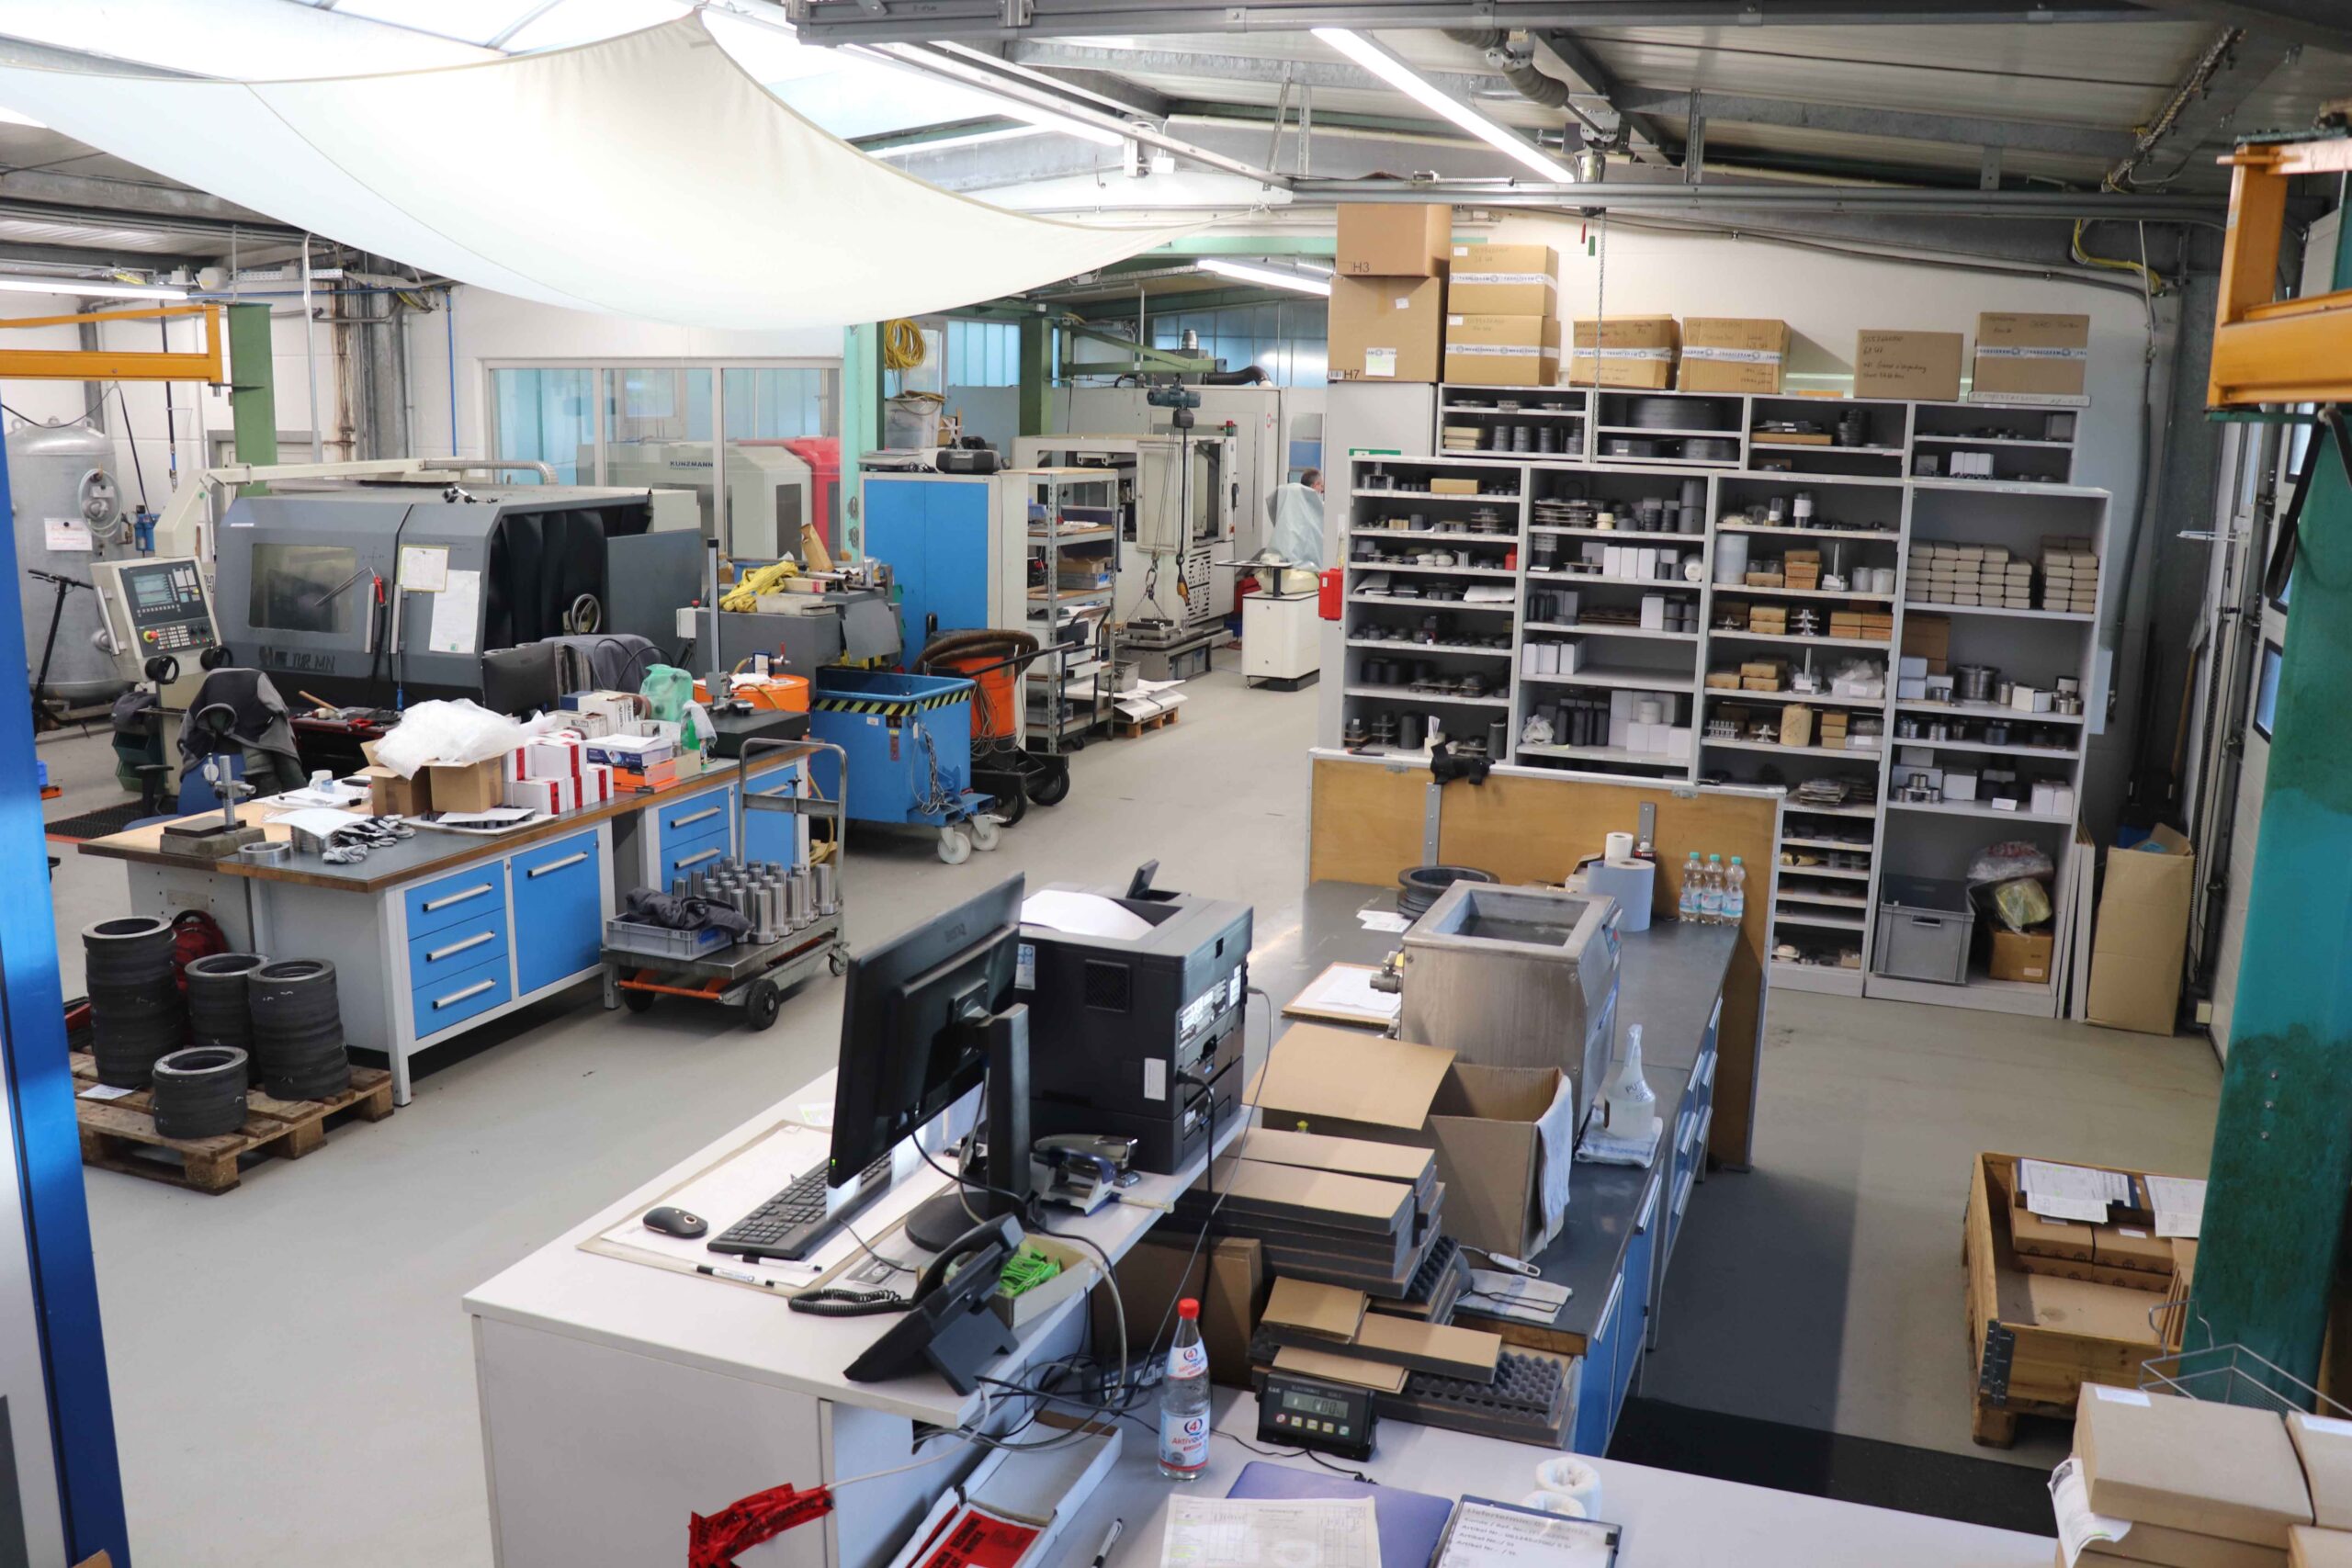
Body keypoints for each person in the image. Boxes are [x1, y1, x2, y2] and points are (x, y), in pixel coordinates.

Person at [1266, 466, 1326, 573]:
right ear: (1316, 485)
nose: (1322, 491)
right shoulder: (1316, 511)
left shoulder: (1289, 499)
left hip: (1278, 560)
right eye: (1322, 487)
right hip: (1304, 567)